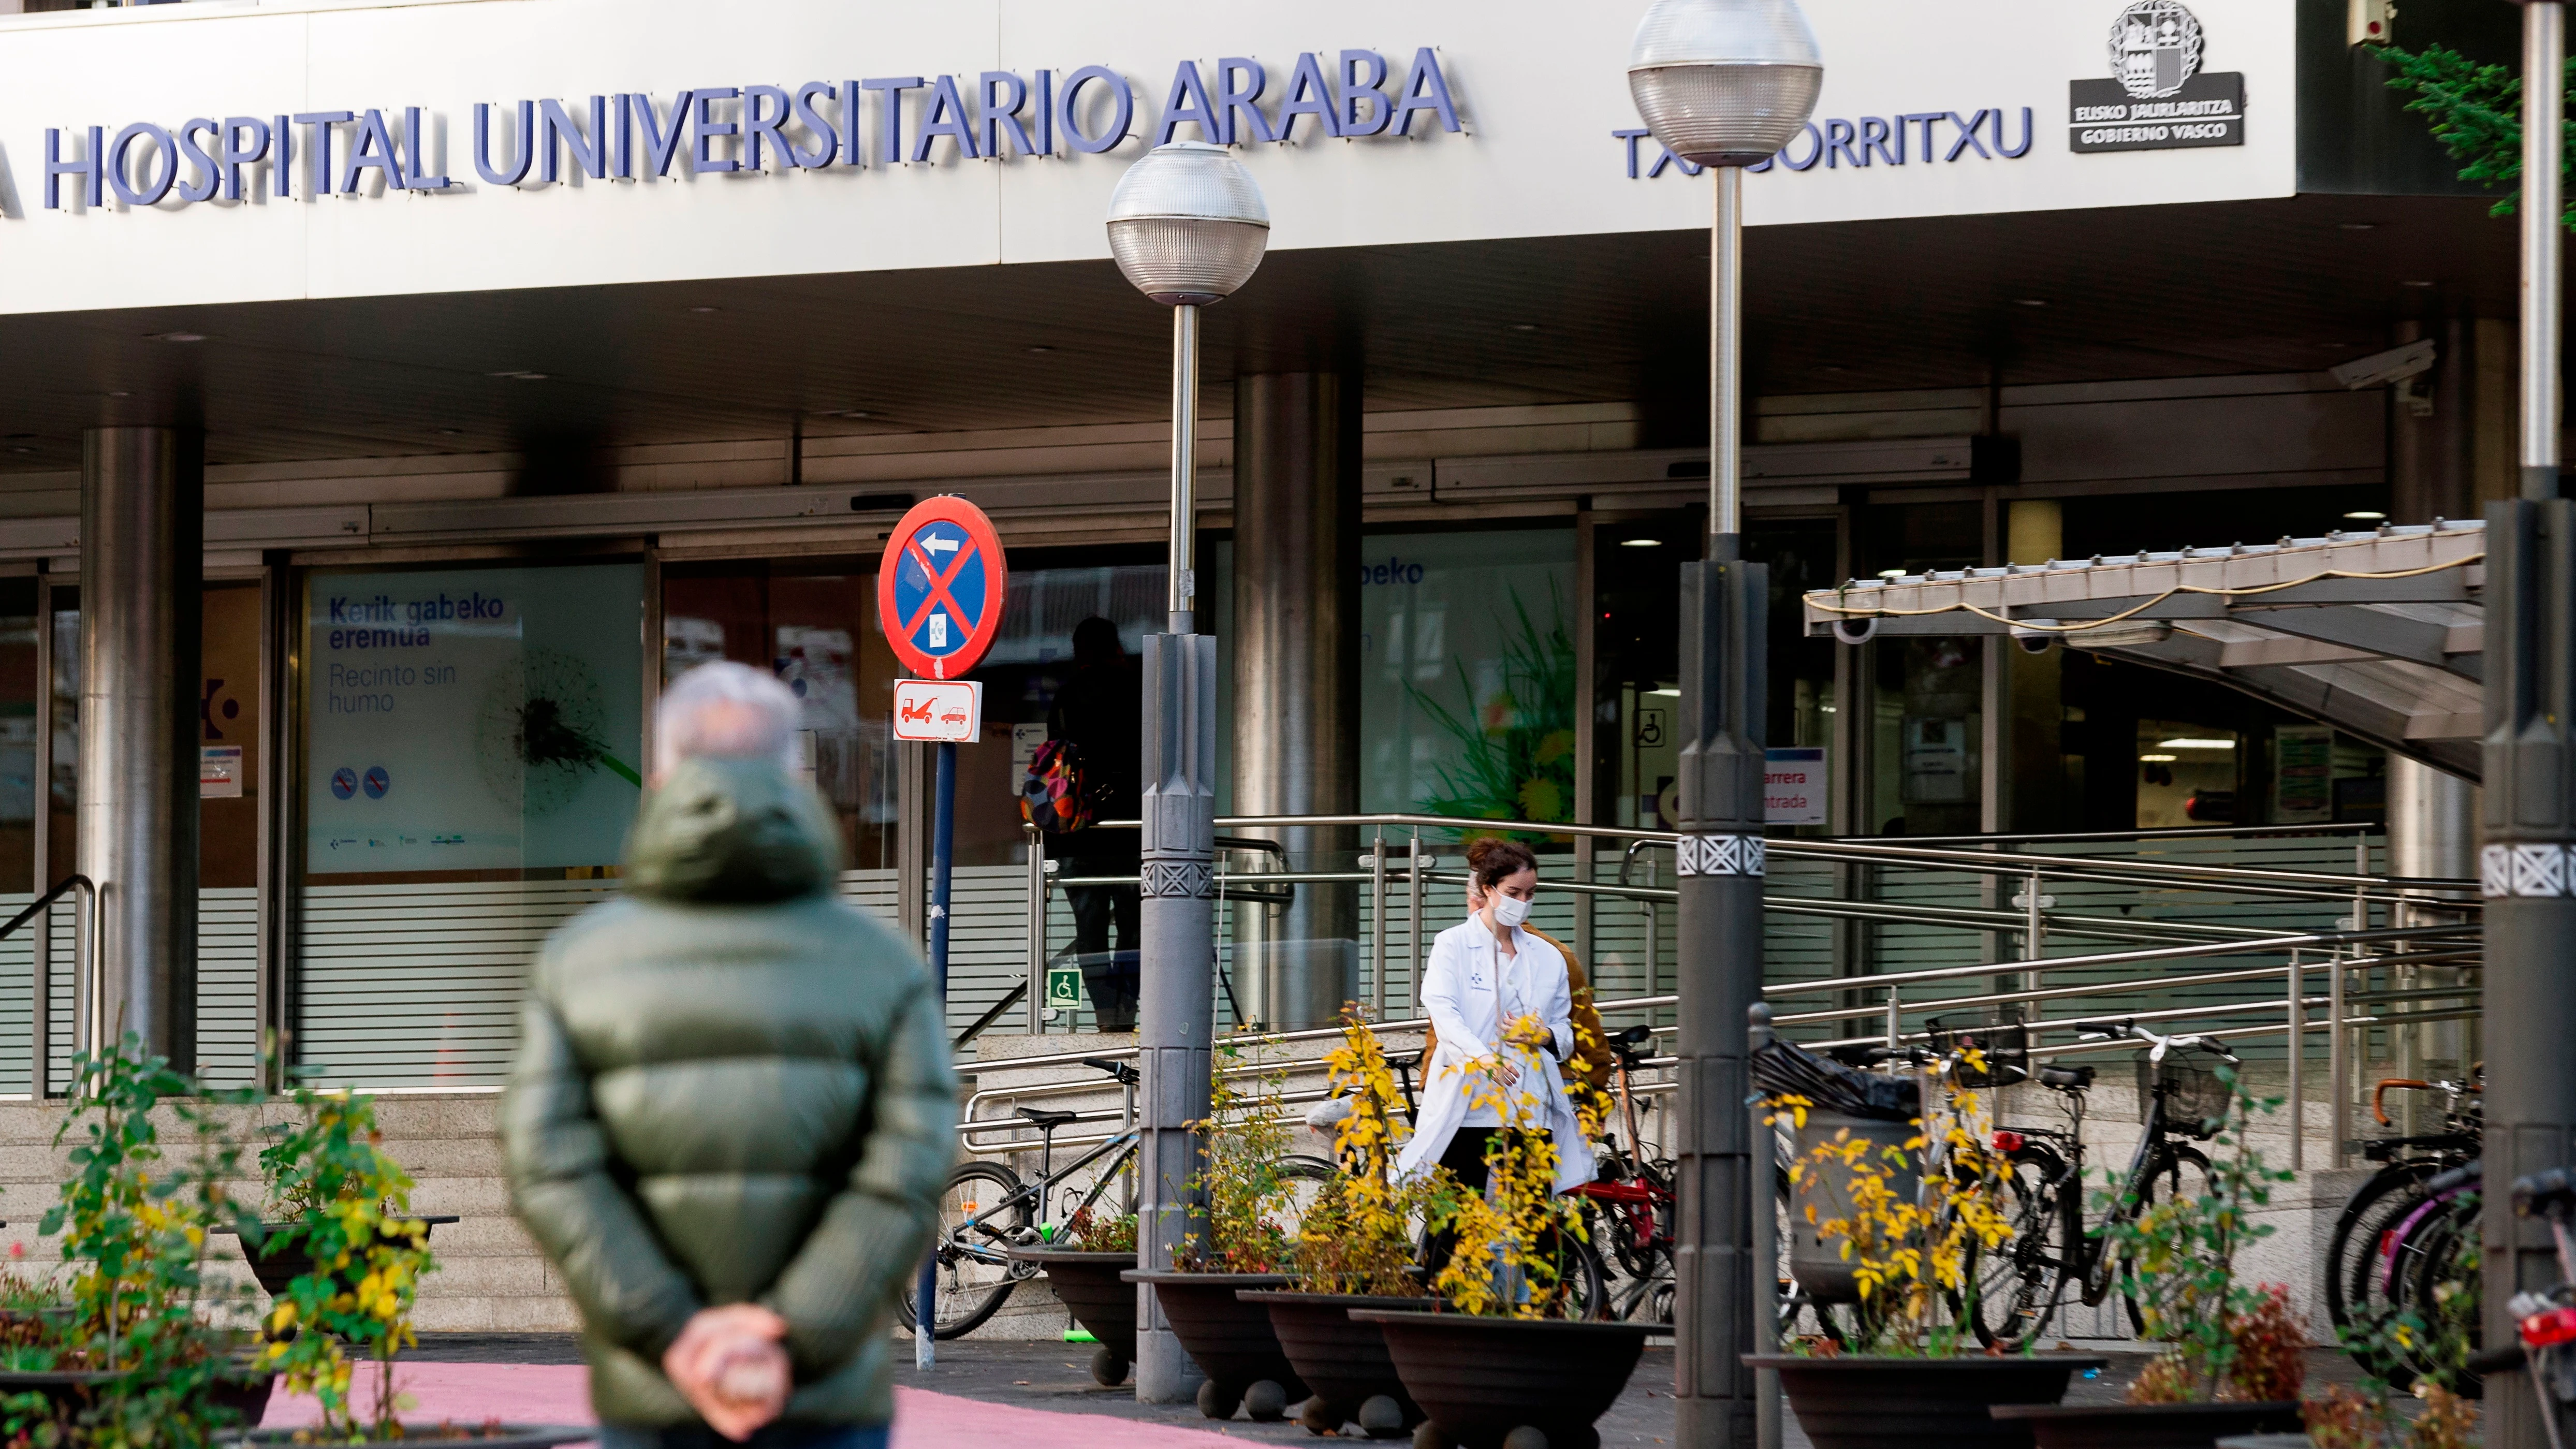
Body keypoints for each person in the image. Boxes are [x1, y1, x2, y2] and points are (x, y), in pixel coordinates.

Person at [500, 661, 958, 1449]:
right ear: (793, 776)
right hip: (827, 1397)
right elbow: (911, 1163)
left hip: (658, 1392)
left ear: (665, 776)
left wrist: (677, 1334)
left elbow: (548, 1161)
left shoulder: (579, 961)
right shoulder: (884, 962)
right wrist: (791, 1333)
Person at [1394, 837, 1598, 1199]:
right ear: (1488, 889)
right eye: (1513, 892)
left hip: (1530, 1105)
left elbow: (1567, 1032)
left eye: (1530, 893)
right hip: (1469, 1105)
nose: (1523, 903)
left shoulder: (1549, 957)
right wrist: (1483, 1058)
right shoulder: (1452, 944)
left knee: (1535, 1222)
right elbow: (1443, 1013)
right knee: (1457, 1219)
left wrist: (1545, 1034)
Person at [1046, 617, 1141, 1031]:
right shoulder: (1136, 691)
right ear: (1115, 648)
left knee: (1090, 929)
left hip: (1076, 835)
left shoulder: (1065, 698)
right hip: (1130, 832)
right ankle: (1125, 1010)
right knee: (1135, 925)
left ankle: (1106, 1013)